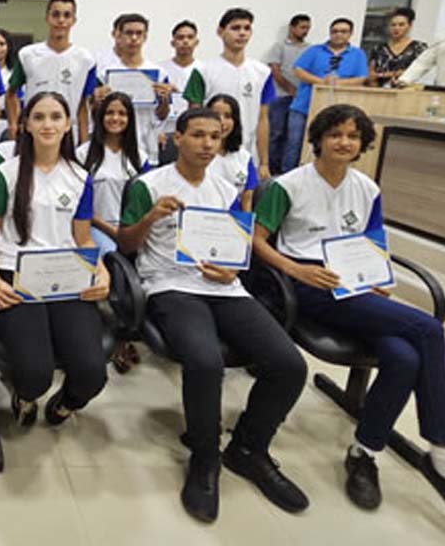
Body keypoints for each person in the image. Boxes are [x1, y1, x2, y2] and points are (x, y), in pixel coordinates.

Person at [118, 107, 309, 524]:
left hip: (224, 288)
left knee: (290, 365)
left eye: (215, 137)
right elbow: (126, 246)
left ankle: (249, 448)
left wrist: (233, 270)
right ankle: (205, 458)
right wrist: (150, 217)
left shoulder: (225, 188)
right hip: (171, 286)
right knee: (205, 362)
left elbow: (236, 250)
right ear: (178, 138)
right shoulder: (149, 185)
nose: (207, 144)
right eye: (198, 135)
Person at [252, 103, 445, 511]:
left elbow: (373, 242)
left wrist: (378, 277)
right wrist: (294, 269)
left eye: (353, 136)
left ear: (363, 143)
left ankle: (363, 453)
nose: (344, 142)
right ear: (319, 139)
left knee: (404, 358)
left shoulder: (367, 189)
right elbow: (256, 239)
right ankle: (440, 448)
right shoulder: (289, 185)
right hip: (307, 285)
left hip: (354, 287)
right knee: (429, 329)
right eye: (336, 134)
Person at [0, 91, 109, 426]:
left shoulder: (79, 177)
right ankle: (25, 396)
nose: (47, 124)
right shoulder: (5, 174)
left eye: (55, 117)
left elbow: (83, 237)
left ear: (68, 125)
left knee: (92, 373)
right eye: (38, 117)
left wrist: (102, 271)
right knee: (34, 374)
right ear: (25, 124)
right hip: (16, 274)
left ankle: (65, 404)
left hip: (67, 275)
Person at [183, 8, 274, 179]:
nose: (242, 33)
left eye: (247, 28)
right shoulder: (203, 70)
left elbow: (263, 120)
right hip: (209, 154)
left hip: (246, 154)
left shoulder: (263, 73)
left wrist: (264, 163)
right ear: (220, 31)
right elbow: (192, 117)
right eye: (235, 28)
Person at [7, 0, 97, 144]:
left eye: (66, 15)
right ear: (47, 18)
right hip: (34, 132)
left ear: (73, 20)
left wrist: (83, 143)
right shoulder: (27, 55)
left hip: (68, 134)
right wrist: (14, 125)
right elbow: (11, 94)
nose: (61, 20)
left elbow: (83, 105)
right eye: (56, 15)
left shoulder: (86, 59)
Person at [283, 18, 368, 172]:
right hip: (303, 106)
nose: (338, 34)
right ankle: (287, 176)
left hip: (335, 110)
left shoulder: (357, 54)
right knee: (293, 144)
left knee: (323, 145)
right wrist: (321, 82)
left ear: (350, 34)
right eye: (335, 31)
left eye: (343, 31)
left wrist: (337, 83)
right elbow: (298, 70)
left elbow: (361, 78)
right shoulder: (315, 50)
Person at [77, 92, 148, 259]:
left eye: (122, 114)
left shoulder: (140, 157)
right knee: (113, 257)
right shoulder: (83, 154)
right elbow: (79, 204)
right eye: (110, 113)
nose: (115, 118)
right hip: (95, 227)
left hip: (130, 230)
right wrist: (113, 232)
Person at [94, 14, 171, 163]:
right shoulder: (104, 74)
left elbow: (162, 115)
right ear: (119, 36)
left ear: (145, 37)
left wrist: (164, 100)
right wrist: (97, 101)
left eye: (139, 33)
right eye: (129, 33)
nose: (134, 38)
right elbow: (96, 113)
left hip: (146, 146)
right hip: (111, 147)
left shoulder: (159, 74)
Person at [265, 14, 311, 174]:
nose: (305, 31)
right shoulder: (279, 47)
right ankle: (271, 170)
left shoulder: (310, 49)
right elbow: (275, 71)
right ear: (292, 27)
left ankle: (288, 171)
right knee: (275, 134)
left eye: (308, 28)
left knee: (293, 137)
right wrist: (291, 89)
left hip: (301, 100)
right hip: (280, 96)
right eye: (302, 27)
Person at [205, 94, 258, 211]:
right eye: (216, 115)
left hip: (233, 218)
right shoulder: (196, 154)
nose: (222, 122)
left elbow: (247, 199)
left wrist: (246, 221)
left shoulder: (244, 158)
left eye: (228, 116)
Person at [159, 20, 201, 162]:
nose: (185, 41)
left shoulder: (203, 70)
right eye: (180, 37)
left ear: (196, 42)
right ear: (173, 42)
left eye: (190, 37)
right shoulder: (160, 70)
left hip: (193, 133)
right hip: (165, 133)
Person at [368, 8, 427, 88]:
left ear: (409, 26)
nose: (396, 28)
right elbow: (371, 75)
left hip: (408, 90)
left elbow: (415, 72)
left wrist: (381, 75)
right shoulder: (378, 49)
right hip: (380, 90)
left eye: (401, 25)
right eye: (393, 25)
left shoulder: (419, 47)